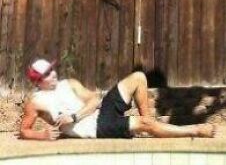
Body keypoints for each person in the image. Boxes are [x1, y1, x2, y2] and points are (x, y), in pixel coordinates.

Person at [19, 58, 215, 141]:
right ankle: (195, 130)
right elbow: (24, 130)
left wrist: (74, 116)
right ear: (38, 81)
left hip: (100, 113)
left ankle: (149, 126)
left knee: (138, 77)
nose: (53, 75)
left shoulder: (69, 83)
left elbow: (95, 99)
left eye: (52, 70)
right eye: (47, 74)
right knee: (145, 123)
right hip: (97, 128)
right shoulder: (36, 101)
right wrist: (41, 135)